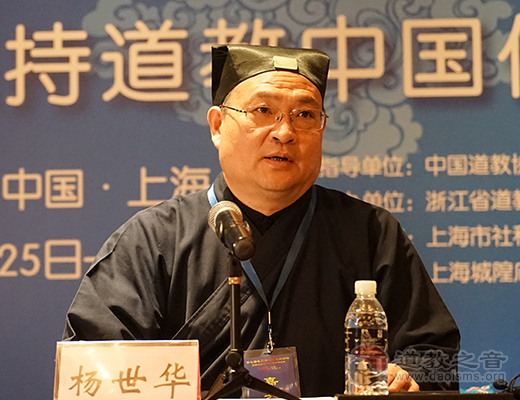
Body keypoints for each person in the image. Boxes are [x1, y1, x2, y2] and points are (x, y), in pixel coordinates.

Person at [63, 44, 460, 396]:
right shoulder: (153, 239)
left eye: (305, 114)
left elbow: (433, 355)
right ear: (218, 126)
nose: (284, 132)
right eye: (263, 111)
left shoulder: (369, 232)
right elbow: (93, 367)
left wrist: (407, 378)